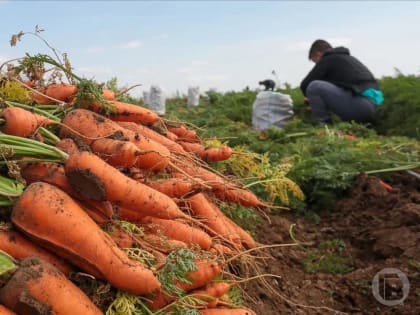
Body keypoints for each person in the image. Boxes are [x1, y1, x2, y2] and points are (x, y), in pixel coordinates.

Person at [300, 39, 384, 123]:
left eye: (315, 62)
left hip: (361, 106)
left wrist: (310, 102)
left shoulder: (328, 59)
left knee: (314, 86)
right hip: (375, 106)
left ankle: (324, 126)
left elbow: (305, 85)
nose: (316, 65)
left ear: (318, 54)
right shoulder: (348, 59)